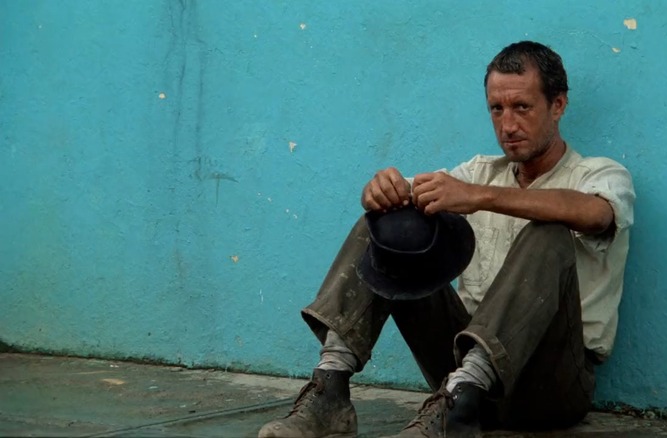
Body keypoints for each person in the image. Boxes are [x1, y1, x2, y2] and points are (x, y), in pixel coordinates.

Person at [257, 40, 635, 438]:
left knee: (549, 231)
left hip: (550, 386)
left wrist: (482, 197)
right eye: (496, 109)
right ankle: (330, 393)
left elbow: (595, 213)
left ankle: (460, 404)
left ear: (558, 105)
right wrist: (385, 195)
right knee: (387, 224)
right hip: (456, 375)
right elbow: (416, 199)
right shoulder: (478, 171)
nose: (507, 125)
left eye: (522, 107)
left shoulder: (601, 175)